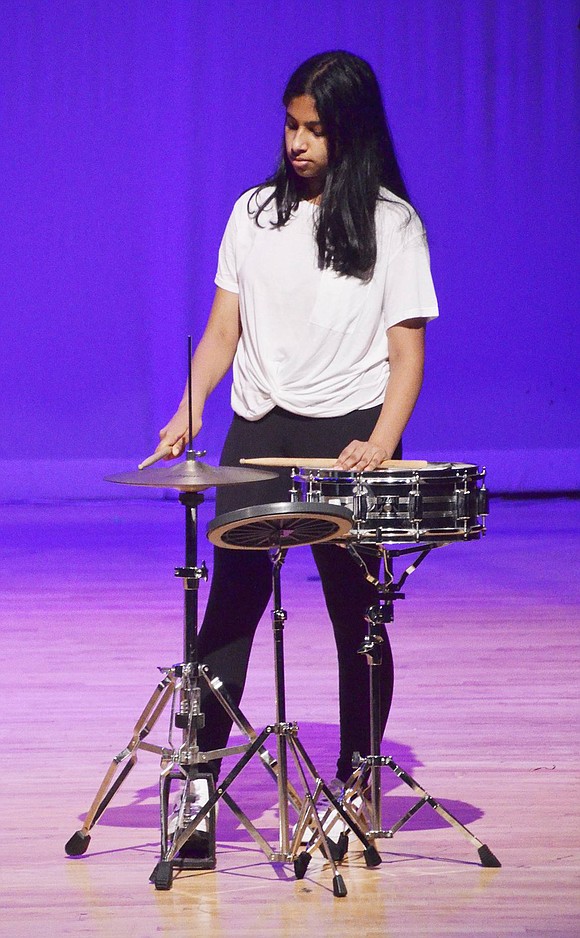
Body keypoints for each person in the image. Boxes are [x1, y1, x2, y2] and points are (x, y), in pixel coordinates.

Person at [150, 50, 438, 795]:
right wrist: (189, 406)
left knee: (358, 614)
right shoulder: (253, 213)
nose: (297, 142)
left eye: (314, 129)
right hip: (261, 429)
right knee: (231, 606)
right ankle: (200, 790)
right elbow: (221, 335)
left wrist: (379, 443)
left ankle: (355, 782)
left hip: (352, 437)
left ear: (350, 132)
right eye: (290, 124)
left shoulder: (392, 223)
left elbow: (407, 354)